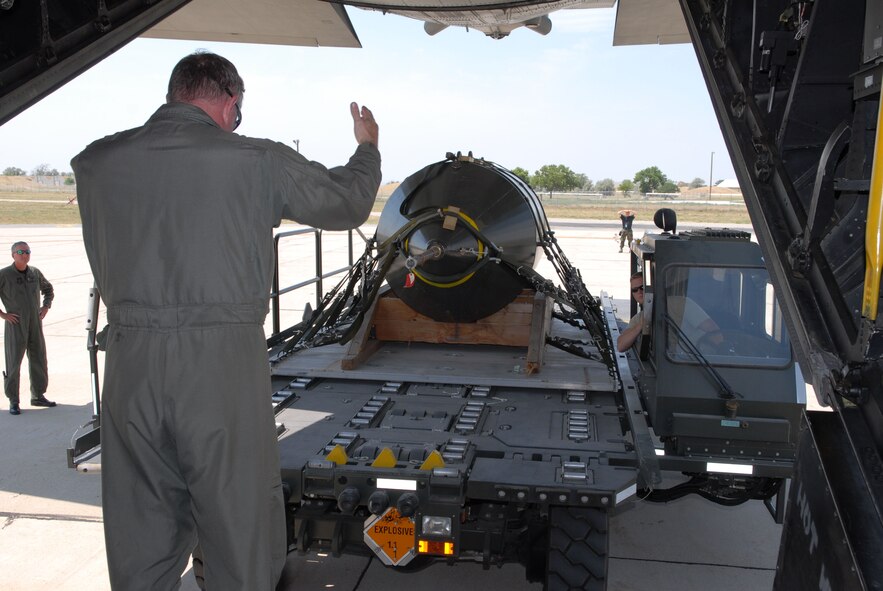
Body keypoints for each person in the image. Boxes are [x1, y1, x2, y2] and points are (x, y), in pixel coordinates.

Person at [71, 51, 381, 590]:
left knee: (140, 532)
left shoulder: (95, 162)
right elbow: (348, 203)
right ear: (230, 103)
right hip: (219, 366)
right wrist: (367, 147)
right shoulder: (257, 160)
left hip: (129, 366)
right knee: (238, 526)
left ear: (175, 94)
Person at [0, 241, 55, 415]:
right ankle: (13, 401)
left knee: (39, 358)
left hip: (35, 323)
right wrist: (3, 315)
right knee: (14, 363)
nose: (25, 255)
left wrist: (46, 306)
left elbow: (48, 289)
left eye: (27, 251)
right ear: (13, 255)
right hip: (16, 325)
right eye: (21, 252)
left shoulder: (34, 273)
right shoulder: (4, 275)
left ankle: (38, 395)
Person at [617, 271, 645, 352]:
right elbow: (621, 346)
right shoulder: (639, 318)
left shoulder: (673, 304)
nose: (639, 292)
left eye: (642, 287)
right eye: (635, 289)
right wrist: (640, 326)